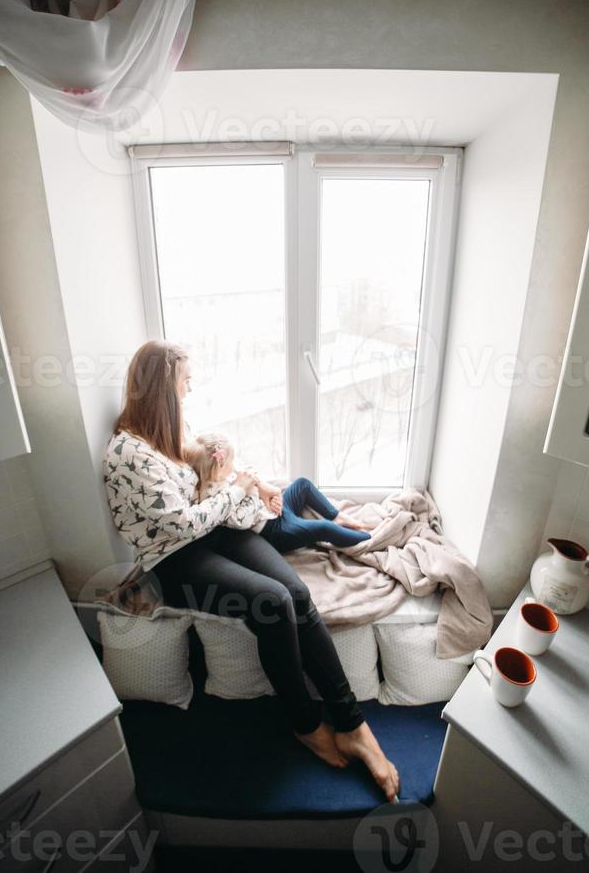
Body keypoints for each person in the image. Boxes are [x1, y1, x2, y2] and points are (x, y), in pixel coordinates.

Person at [103, 340, 399, 801]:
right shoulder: (127, 453)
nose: (189, 391)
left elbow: (211, 482)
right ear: (161, 388)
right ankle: (304, 724)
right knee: (272, 601)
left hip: (211, 532)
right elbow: (182, 523)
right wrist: (234, 489)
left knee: (296, 591)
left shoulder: (170, 435)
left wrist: (251, 486)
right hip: (172, 560)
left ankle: (353, 725)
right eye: (184, 383)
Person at [184, 431, 373, 551]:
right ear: (219, 465)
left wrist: (265, 490)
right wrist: (250, 490)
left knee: (302, 484)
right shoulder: (215, 500)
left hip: (277, 512)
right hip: (275, 531)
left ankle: (336, 515)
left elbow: (252, 475)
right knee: (323, 529)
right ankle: (369, 538)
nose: (235, 464)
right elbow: (243, 520)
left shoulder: (226, 473)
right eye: (231, 461)